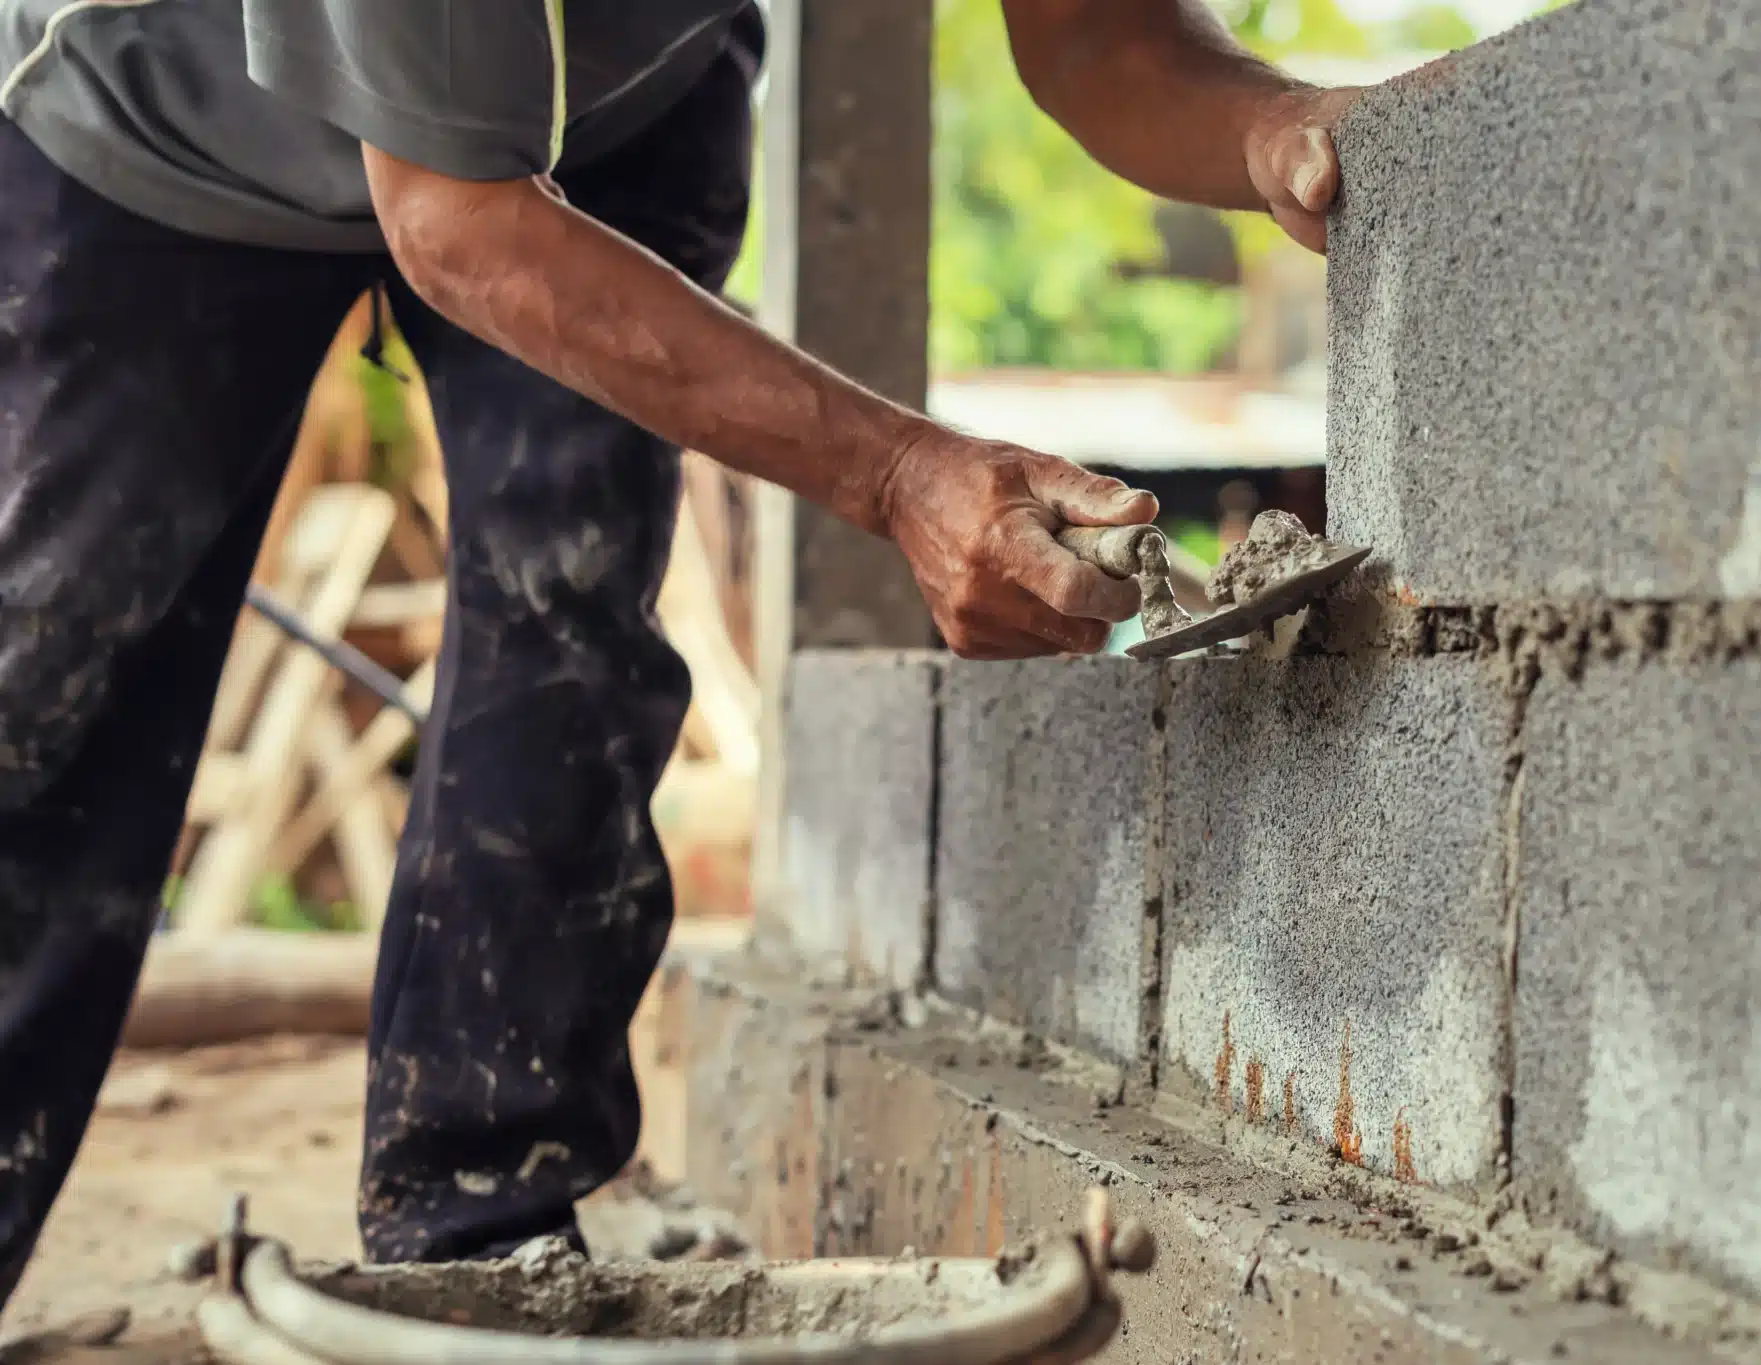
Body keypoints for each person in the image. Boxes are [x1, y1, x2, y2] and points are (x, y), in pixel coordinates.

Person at [0, 0, 1357, 1302]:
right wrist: (896, 474)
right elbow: (458, 221)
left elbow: (1103, 37)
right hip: (166, 129)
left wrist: (1291, 131)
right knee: (54, 681)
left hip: (603, 120)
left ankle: (480, 1238)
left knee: (568, 633)